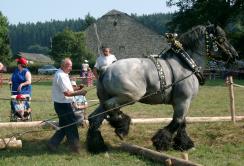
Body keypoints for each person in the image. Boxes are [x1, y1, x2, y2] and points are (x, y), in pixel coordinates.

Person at [47, 58, 87, 154]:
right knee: (71, 125)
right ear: (64, 65)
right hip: (63, 105)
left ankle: (52, 144)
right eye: (70, 66)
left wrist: (77, 88)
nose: (71, 68)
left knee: (65, 125)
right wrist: (80, 93)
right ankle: (75, 148)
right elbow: (67, 94)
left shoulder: (63, 74)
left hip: (62, 104)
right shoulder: (61, 76)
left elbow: (68, 89)